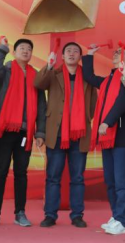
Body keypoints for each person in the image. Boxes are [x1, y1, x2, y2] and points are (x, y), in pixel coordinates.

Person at [0, 37, 46, 228]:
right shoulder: (5, 71)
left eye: (29, 49)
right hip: (4, 129)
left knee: (21, 173)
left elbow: (41, 106)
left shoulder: (36, 76)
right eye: (22, 48)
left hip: (25, 132)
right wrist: (1, 49)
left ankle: (20, 213)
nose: (26, 51)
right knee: (1, 171)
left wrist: (40, 132)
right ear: (14, 52)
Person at [35, 42, 97, 228]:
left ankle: (77, 215)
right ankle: (50, 215)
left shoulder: (87, 77)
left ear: (80, 57)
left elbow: (93, 103)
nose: (71, 53)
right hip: (56, 133)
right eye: (68, 51)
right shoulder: (53, 74)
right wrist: (48, 65)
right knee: (53, 177)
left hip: (79, 134)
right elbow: (38, 83)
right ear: (62, 56)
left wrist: (84, 119)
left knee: (77, 178)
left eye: (75, 51)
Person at [82, 43, 125, 235]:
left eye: (120, 53)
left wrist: (107, 121)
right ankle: (116, 215)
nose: (115, 55)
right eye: (115, 53)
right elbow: (89, 77)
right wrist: (90, 54)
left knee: (121, 180)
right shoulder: (108, 80)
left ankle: (123, 221)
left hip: (121, 134)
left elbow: (123, 101)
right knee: (110, 179)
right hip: (107, 136)